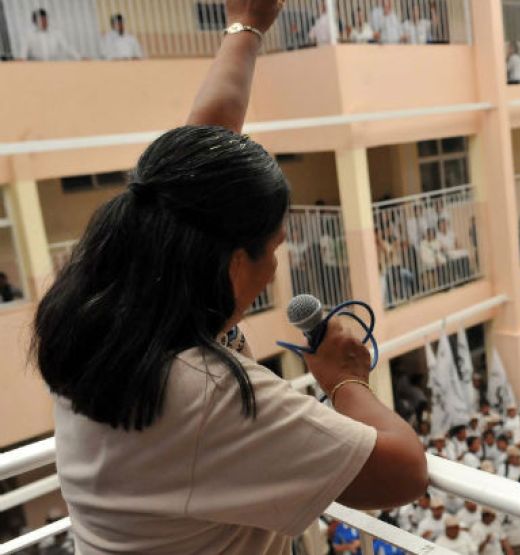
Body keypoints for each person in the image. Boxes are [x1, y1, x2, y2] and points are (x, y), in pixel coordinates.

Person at [33, 2, 427, 552]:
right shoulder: (207, 395)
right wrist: (345, 380)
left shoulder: (100, 309)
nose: (273, 270)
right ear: (232, 260)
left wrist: (247, 28)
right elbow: (405, 473)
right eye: (272, 248)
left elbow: (195, 171)